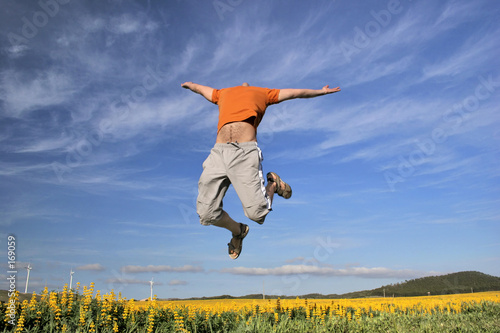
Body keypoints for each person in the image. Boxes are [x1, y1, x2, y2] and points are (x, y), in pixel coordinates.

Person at [181, 81, 341, 259]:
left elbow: (295, 92)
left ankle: (273, 184)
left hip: (244, 152)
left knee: (257, 214)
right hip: (217, 153)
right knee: (206, 214)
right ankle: (238, 231)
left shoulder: (263, 93)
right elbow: (203, 90)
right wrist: (191, 85)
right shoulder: (223, 93)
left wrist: (320, 91)